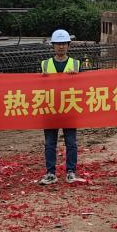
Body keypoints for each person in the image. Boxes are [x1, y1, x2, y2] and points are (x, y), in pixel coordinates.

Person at [39, 29, 81, 185]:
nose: (61, 47)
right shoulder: (44, 64)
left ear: (68, 45)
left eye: (64, 44)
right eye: (58, 44)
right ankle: (50, 173)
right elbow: (38, 87)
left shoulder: (76, 64)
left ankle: (71, 171)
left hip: (69, 108)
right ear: (53, 45)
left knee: (71, 143)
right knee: (50, 143)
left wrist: (76, 78)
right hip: (50, 108)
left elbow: (83, 86)